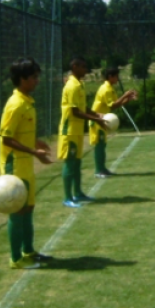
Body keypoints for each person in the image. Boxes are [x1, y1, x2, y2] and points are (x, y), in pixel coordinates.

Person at [0, 58, 53, 270]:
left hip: (26, 165)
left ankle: (29, 251)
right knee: (18, 210)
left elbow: (20, 134)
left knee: (28, 207)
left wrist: (34, 142)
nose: (37, 81)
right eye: (34, 77)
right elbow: (6, 138)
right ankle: (16, 258)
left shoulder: (27, 101)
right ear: (22, 79)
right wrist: (33, 151)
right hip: (15, 166)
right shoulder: (15, 105)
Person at [58, 57, 106, 208]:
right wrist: (95, 119)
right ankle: (67, 197)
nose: (86, 70)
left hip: (78, 130)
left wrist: (96, 114)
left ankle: (78, 193)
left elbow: (83, 108)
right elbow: (75, 111)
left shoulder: (80, 85)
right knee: (70, 162)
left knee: (77, 162)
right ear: (75, 67)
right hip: (70, 131)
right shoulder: (72, 86)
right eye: (83, 67)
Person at [90, 67, 137, 178]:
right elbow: (113, 105)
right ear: (110, 77)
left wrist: (128, 98)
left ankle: (103, 168)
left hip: (103, 120)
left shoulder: (110, 88)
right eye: (116, 76)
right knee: (99, 146)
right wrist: (125, 95)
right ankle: (98, 170)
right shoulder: (105, 89)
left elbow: (117, 104)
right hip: (97, 120)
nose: (118, 78)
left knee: (103, 145)